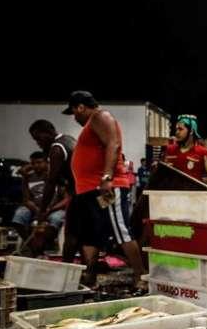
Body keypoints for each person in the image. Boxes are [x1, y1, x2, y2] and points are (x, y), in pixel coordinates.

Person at [62, 91, 146, 292]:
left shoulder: (100, 116)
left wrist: (107, 177)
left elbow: (113, 144)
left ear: (81, 107)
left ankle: (141, 275)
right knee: (91, 234)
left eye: (74, 112)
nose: (74, 117)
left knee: (120, 229)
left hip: (106, 187)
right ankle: (90, 276)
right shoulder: (92, 124)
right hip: (90, 190)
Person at [28, 119, 79, 261]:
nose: (38, 143)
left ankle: (66, 268)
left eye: (38, 138)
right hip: (83, 191)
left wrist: (43, 210)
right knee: (81, 235)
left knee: (71, 234)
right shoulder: (68, 139)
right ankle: (86, 271)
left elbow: (51, 182)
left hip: (79, 193)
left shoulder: (57, 148)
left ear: (48, 132)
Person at [12, 151, 69, 254]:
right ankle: (32, 245)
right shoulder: (28, 178)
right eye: (33, 163)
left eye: (39, 162)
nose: (35, 166)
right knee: (18, 216)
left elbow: (66, 199)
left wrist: (50, 209)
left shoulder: (55, 176)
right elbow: (26, 200)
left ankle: (43, 244)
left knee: (56, 219)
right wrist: (38, 210)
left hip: (54, 209)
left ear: (47, 162)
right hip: (34, 208)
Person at [163, 115, 207, 183]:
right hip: (171, 192)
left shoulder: (204, 153)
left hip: (193, 193)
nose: (177, 132)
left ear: (191, 131)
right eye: (176, 129)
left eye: (180, 129)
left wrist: (202, 180)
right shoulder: (169, 150)